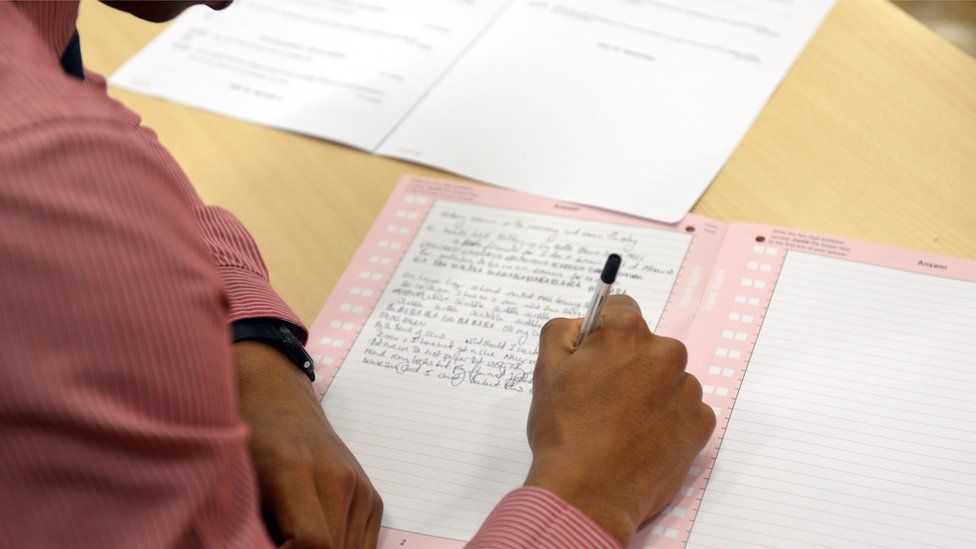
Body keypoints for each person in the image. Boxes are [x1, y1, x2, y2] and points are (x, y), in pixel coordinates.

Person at [0, 1, 715, 547]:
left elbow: (89, 124)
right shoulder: (37, 176)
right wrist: (589, 495)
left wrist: (248, 347)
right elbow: (68, 169)